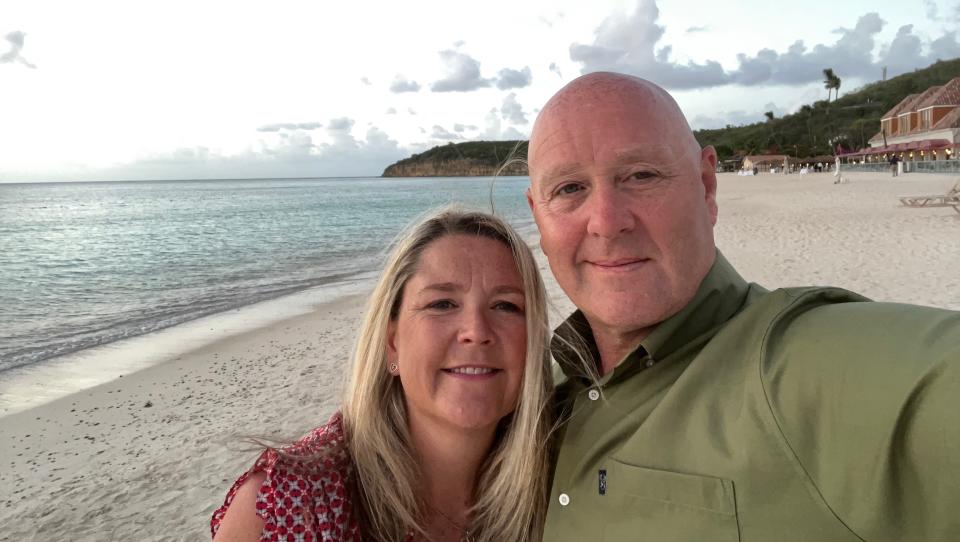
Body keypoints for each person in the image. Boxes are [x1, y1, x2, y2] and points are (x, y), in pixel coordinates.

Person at [525, 72, 960, 540]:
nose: (606, 223)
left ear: (707, 186)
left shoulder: (800, 366)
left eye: (641, 175)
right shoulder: (532, 394)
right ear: (538, 218)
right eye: (570, 189)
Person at [210, 208, 553, 542]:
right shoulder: (291, 506)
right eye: (442, 304)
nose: (476, 331)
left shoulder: (558, 487)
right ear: (392, 345)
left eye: (506, 306)